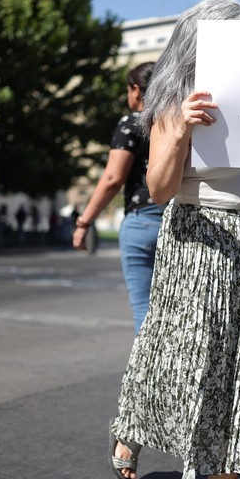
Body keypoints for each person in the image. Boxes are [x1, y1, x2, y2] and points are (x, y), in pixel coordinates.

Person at [108, 0, 240, 479]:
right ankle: (132, 430)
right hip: (197, 236)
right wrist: (183, 127)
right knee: (176, 348)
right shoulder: (171, 99)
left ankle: (219, 466)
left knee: (238, 354)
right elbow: (160, 188)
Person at [73, 61, 161, 334]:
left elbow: (112, 178)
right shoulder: (174, 123)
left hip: (142, 219)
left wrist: (84, 222)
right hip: (175, 220)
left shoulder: (132, 123)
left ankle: (147, 376)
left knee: (145, 314)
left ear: (136, 90)